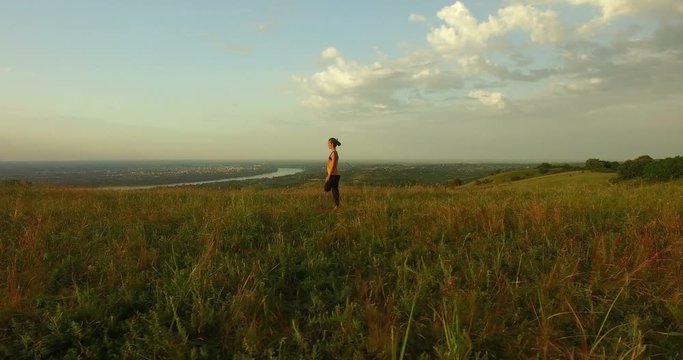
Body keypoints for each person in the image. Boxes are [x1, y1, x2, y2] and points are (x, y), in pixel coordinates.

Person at [324, 137, 341, 208]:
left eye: (328, 143)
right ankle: (337, 205)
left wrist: (329, 176)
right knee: (335, 190)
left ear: (332, 144)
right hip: (335, 175)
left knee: (326, 188)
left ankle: (337, 205)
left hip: (333, 175)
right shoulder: (333, 153)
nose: (328, 145)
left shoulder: (334, 153)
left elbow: (333, 165)